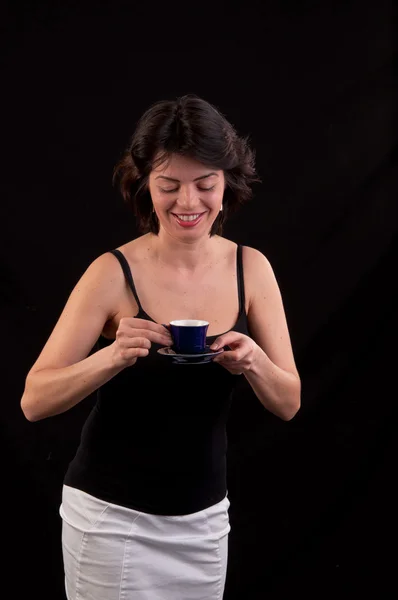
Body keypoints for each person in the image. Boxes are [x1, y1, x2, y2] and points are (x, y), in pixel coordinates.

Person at [21, 94, 301, 600]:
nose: (188, 203)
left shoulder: (251, 268)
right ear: (145, 185)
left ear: (227, 184)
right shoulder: (112, 272)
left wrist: (254, 361)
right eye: (169, 186)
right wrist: (113, 356)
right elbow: (34, 400)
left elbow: (288, 402)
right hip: (110, 521)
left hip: (205, 525)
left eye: (205, 185)